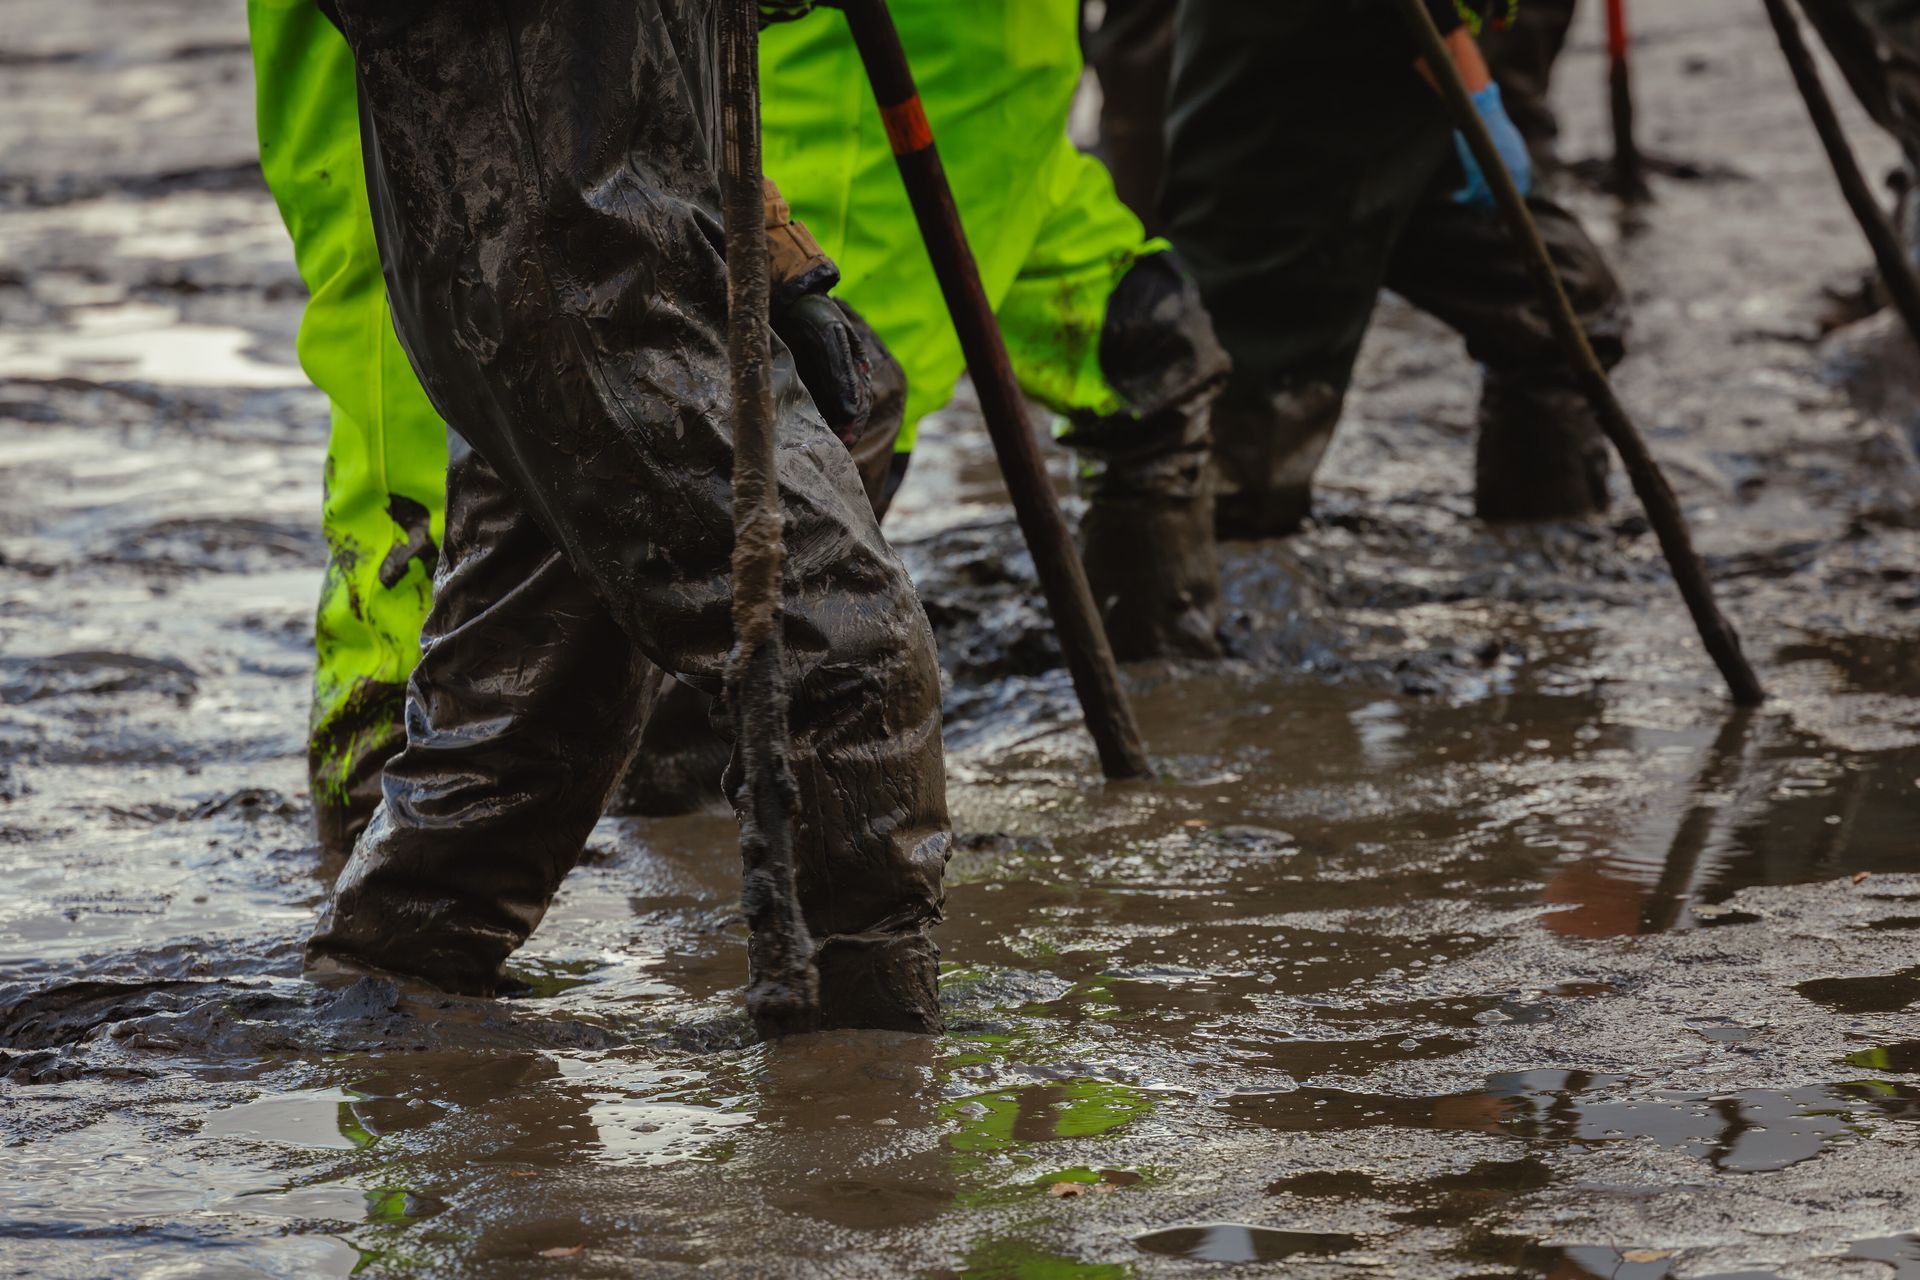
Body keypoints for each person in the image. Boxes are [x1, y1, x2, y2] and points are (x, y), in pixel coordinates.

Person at [275, 0, 951, 1032]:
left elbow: (665, 69)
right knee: (838, 640)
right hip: (552, 215)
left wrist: (767, 243)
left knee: (532, 681)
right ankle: (860, 1079)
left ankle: (380, 1009)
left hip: (594, 210)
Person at [761, 0, 1232, 663]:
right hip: (858, 157)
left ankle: (1167, 696)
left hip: (1014, 153)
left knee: (1153, 354)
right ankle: (726, 748)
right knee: (818, 484)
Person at [1142, 0, 1628, 536]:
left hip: (1417, 95)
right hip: (1294, 86)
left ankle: (1542, 580)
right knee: (1244, 434)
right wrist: (1474, 94)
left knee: (1557, 309)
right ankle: (1179, 592)